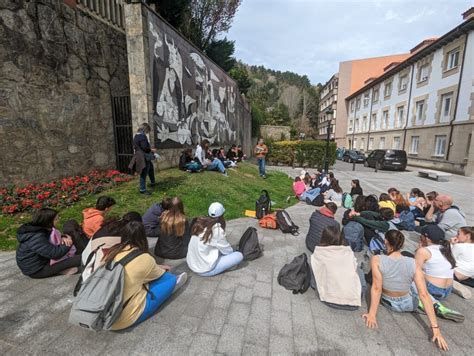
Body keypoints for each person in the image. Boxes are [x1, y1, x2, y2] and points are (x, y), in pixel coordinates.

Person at [362, 230, 449, 351]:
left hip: (389, 302)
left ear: (385, 241)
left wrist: (372, 314)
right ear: (402, 245)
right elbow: (423, 294)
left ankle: (430, 304)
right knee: (416, 283)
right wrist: (436, 329)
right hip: (409, 304)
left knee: (391, 279)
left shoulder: (377, 259)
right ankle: (434, 304)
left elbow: (377, 288)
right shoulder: (413, 262)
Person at [105, 221, 187, 330]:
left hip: (104, 312)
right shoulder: (144, 258)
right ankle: (173, 285)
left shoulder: (112, 252)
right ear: (143, 237)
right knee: (169, 278)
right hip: (122, 319)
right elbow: (160, 275)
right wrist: (159, 267)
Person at [16, 208, 82, 278]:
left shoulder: (40, 229)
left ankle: (59, 270)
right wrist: (68, 242)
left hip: (44, 261)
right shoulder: (36, 237)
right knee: (80, 258)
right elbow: (56, 254)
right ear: (48, 221)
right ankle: (56, 270)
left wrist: (63, 237)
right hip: (37, 270)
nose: (58, 220)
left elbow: (52, 238)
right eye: (56, 219)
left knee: (76, 256)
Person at [311, 226, 365, 309]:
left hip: (328, 299)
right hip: (353, 301)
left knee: (316, 268)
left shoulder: (319, 253)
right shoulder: (348, 252)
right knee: (358, 270)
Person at [186, 202, 243, 276]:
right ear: (222, 215)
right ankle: (226, 266)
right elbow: (228, 251)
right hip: (204, 270)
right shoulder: (217, 230)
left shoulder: (199, 223)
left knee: (218, 249)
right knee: (239, 255)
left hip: (192, 263)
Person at [451, 227, 474, 297]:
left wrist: (451, 244)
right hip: (468, 275)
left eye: (458, 234)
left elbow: (449, 259)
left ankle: (452, 284)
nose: (456, 236)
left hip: (456, 274)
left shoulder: (460, 246)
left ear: (467, 237)